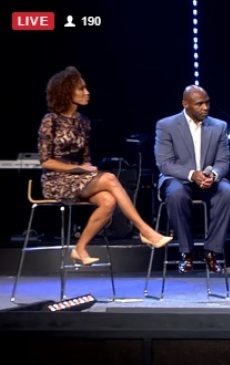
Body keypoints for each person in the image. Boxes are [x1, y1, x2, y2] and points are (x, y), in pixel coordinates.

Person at [37, 66, 172, 266]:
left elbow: (86, 158)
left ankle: (80, 248)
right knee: (110, 178)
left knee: (108, 200)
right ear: (66, 92)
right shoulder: (51, 120)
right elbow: (46, 161)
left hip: (79, 178)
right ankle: (145, 231)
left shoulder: (84, 121)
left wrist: (86, 169)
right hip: (55, 180)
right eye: (81, 89)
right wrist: (79, 170)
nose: (87, 92)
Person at [154, 85, 230, 274]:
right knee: (175, 195)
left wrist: (213, 175)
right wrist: (192, 174)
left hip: (208, 180)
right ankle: (186, 252)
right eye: (199, 104)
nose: (205, 107)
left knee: (228, 193)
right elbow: (165, 163)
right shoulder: (166, 125)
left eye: (207, 102)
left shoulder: (219, 126)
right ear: (185, 104)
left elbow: (223, 161)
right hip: (178, 178)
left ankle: (211, 251)